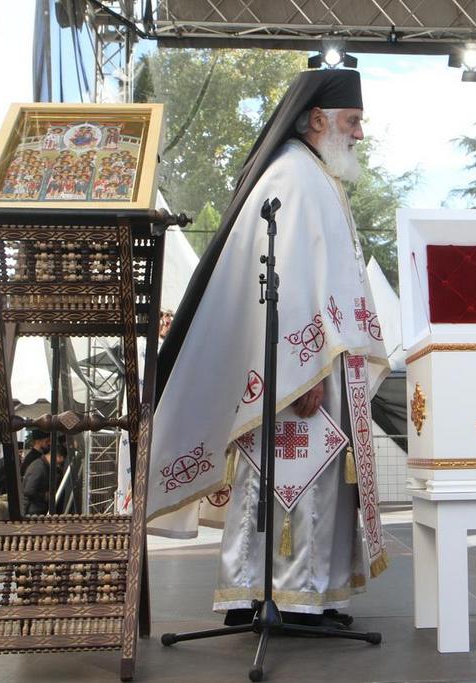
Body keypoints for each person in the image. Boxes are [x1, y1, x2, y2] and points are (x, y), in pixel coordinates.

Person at [145, 69, 390, 625]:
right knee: (290, 483)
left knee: (311, 482)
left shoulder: (314, 174)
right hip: (298, 373)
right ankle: (277, 597)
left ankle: (300, 593)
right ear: (319, 119)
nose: (359, 133)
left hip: (316, 367)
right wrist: (300, 372)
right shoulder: (294, 176)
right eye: (353, 121)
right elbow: (286, 281)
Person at [22, 445, 66, 516]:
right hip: (34, 511)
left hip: (38, 509)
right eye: (59, 463)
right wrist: (45, 496)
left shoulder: (44, 466)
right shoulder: (38, 467)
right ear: (58, 457)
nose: (59, 466)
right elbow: (29, 491)